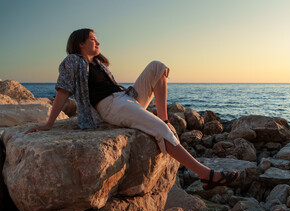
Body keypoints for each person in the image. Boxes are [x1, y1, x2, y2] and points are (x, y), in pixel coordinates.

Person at [25, 28, 238, 190]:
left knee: (157, 66)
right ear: (80, 43)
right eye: (92, 39)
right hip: (109, 106)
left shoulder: (99, 63)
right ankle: (207, 175)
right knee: (159, 131)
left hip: (126, 97)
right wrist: (49, 124)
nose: (98, 42)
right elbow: (63, 90)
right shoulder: (73, 61)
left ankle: (163, 118)